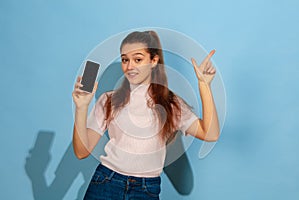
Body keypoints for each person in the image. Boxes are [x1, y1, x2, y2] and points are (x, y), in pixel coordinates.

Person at [72, 30, 220, 200]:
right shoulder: (109, 100)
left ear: (154, 60)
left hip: (145, 190)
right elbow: (81, 152)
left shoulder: (171, 104)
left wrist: (204, 85)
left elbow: (210, 133)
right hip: (106, 182)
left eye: (138, 59)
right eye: (125, 60)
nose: (129, 66)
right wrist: (81, 107)